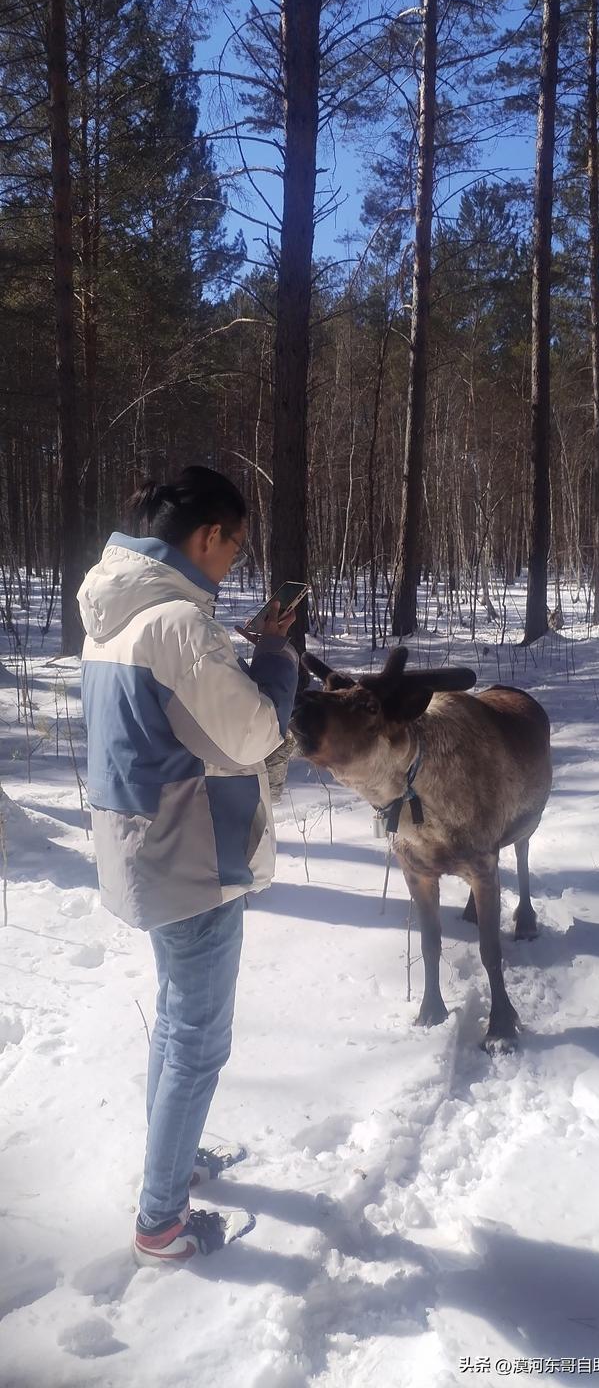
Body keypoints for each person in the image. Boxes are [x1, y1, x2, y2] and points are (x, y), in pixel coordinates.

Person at [77, 465, 299, 1265]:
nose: (233, 562)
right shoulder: (176, 624)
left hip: (143, 849)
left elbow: (169, 726)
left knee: (176, 1026)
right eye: (234, 546)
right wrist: (274, 652)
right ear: (208, 535)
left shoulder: (113, 613)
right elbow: (253, 734)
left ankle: (172, 1165)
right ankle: (161, 1223)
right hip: (191, 858)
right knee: (197, 1039)